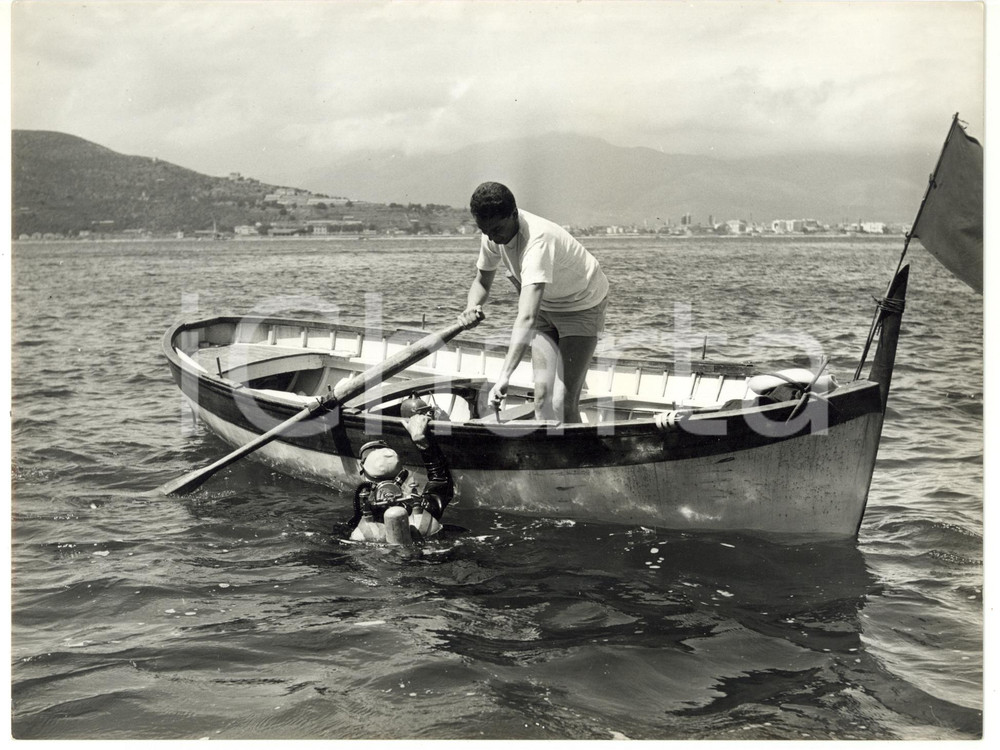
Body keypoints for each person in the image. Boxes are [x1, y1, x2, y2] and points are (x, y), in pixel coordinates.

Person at [458, 181, 609, 423]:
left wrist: (505, 376)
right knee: (541, 401)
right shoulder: (491, 233)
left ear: (514, 214)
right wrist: (471, 306)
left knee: (561, 403)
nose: (492, 239)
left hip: (581, 304)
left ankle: (576, 459)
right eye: (485, 231)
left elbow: (526, 317)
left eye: (497, 230)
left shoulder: (537, 240)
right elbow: (482, 283)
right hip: (545, 305)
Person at [349, 396, 453, 545]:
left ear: (364, 475)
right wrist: (422, 443)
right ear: (401, 474)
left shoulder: (363, 522)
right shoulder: (423, 509)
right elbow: (441, 481)